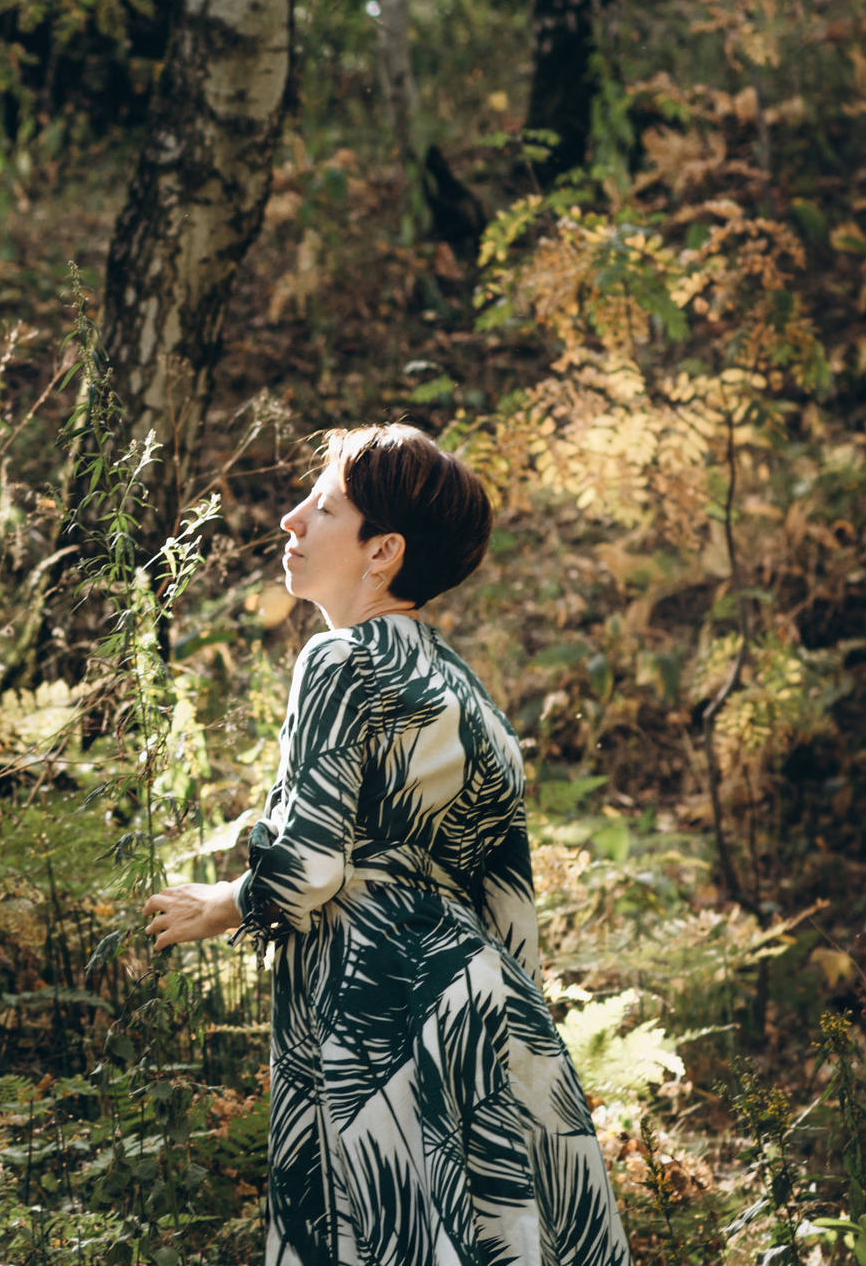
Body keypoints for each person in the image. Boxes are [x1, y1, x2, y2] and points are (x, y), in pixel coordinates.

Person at [143, 424, 631, 1266]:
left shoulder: (339, 661)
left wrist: (220, 904)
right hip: (489, 1006)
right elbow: (510, 901)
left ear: (384, 551)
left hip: (372, 1004)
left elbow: (307, 869)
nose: (291, 519)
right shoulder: (469, 695)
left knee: (375, 1236)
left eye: (323, 506)